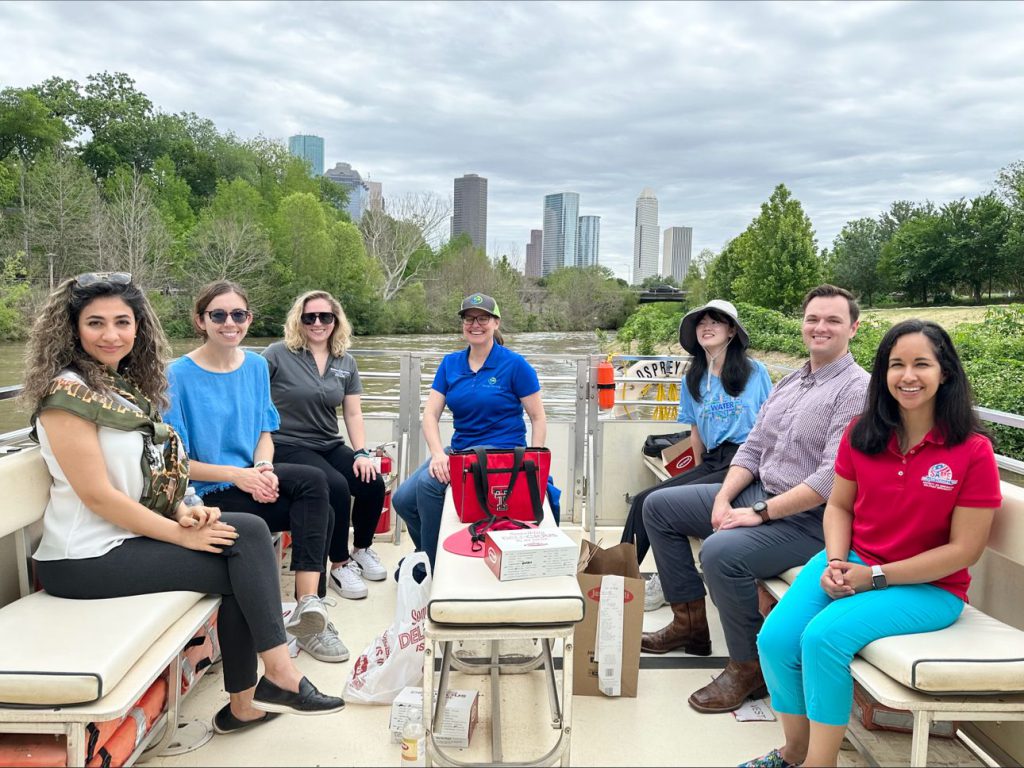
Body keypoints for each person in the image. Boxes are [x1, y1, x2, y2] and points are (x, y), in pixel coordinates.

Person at [23, 272, 344, 734]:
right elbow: (97, 495)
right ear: (73, 329)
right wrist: (178, 534)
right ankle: (275, 680)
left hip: (129, 537)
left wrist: (182, 510)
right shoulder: (67, 395)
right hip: (82, 557)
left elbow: (149, 474)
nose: (111, 334)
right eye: (95, 323)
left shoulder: (121, 389)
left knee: (247, 538)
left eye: (122, 322)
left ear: (138, 328)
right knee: (246, 555)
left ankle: (252, 698)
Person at [747, 320, 1001, 768]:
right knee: (776, 639)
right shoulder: (862, 434)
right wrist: (838, 559)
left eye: (922, 364)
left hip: (930, 587)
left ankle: (818, 765)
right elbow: (840, 507)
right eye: (896, 364)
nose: (908, 376)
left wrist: (876, 577)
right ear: (883, 373)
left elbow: (964, 551)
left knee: (823, 639)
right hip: (854, 561)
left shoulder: (972, 451)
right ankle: (795, 751)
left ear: (945, 373)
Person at [641, 285, 870, 714]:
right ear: (803, 324)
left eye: (833, 321)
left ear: (853, 328)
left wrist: (759, 513)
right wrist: (725, 497)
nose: (820, 328)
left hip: (810, 518)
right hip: (760, 490)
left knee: (721, 551)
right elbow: (753, 447)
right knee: (658, 506)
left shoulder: (857, 390)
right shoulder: (790, 382)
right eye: (813, 319)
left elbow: (830, 478)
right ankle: (689, 625)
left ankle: (748, 666)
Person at [164, 280, 348, 664]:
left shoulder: (256, 366)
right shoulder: (176, 376)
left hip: (250, 478)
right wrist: (240, 475)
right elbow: (177, 463)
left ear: (248, 319)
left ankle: (308, 609)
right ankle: (311, 613)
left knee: (318, 489)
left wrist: (263, 468)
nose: (229, 323)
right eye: (218, 315)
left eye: (238, 315)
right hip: (207, 492)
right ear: (201, 320)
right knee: (322, 508)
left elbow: (266, 433)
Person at [619, 299, 772, 610]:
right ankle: (620, 581)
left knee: (655, 503)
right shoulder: (693, 379)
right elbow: (696, 433)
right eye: (702, 322)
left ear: (731, 331)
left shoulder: (755, 372)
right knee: (643, 502)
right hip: (715, 460)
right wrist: (695, 474)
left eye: (716, 321)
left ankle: (662, 582)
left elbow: (772, 422)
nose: (708, 327)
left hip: (747, 460)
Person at [392, 293, 547, 571]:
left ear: (496, 322)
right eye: (469, 318)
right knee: (402, 500)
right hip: (462, 450)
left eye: (483, 318)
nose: (475, 324)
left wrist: (533, 463)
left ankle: (431, 566)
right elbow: (430, 414)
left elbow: (537, 416)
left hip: (503, 452)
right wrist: (438, 453)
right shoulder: (451, 364)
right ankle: (427, 548)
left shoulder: (514, 365)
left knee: (429, 486)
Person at [263, 290, 387, 601]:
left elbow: (353, 412)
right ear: (299, 321)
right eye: (310, 317)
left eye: (325, 317)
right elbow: (250, 400)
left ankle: (362, 549)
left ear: (335, 320)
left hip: (328, 443)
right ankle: (339, 564)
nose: (318, 323)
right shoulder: (277, 355)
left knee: (371, 481)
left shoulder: (345, 361)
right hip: (288, 444)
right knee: (336, 486)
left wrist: (361, 453)